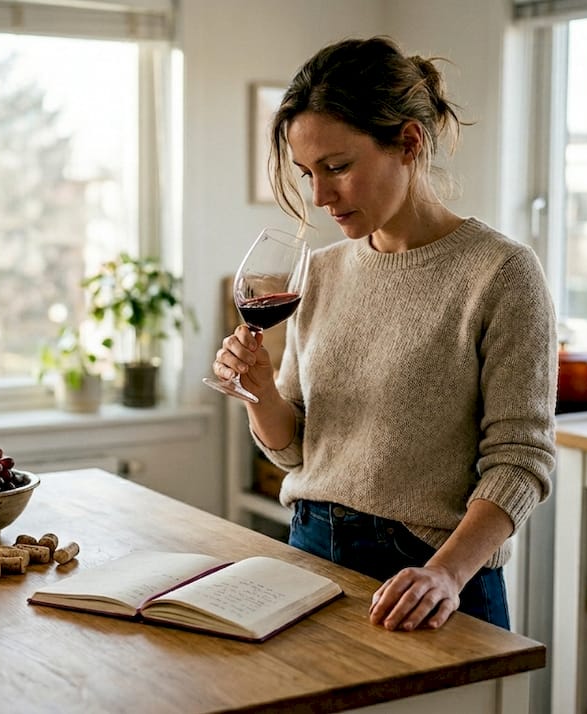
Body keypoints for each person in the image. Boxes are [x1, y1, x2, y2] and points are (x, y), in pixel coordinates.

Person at [210, 36, 557, 632]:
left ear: (408, 142)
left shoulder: (500, 272)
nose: (320, 197)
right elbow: (294, 448)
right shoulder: (318, 271)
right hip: (310, 554)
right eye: (307, 173)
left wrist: (445, 574)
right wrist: (260, 392)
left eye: (338, 167)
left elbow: (520, 462)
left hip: (431, 581)